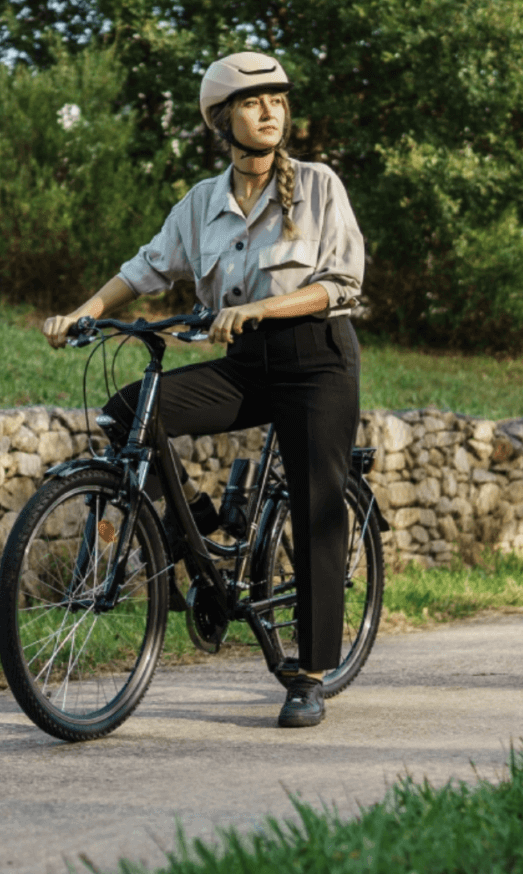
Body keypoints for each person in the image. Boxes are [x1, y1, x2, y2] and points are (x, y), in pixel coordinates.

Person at [41, 51, 365, 729]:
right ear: (223, 120)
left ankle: (307, 674)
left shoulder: (318, 186)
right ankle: (200, 519)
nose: (270, 111)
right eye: (253, 102)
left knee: (314, 506)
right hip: (244, 363)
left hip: (316, 362)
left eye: (277, 99)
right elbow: (146, 268)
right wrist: (85, 312)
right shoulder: (200, 204)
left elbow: (342, 285)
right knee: (129, 409)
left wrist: (262, 309)